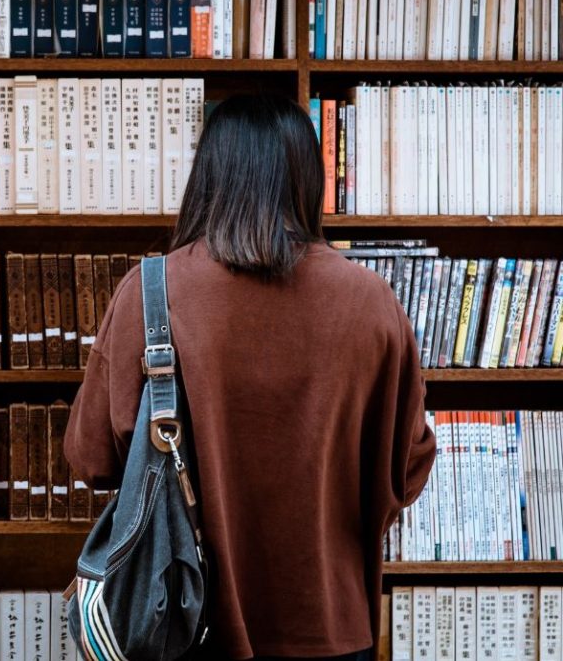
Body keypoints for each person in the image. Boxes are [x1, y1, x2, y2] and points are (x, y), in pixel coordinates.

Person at [64, 94, 436, 661]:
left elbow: (92, 458)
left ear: (208, 177)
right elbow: (407, 470)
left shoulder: (150, 292)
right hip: (333, 626)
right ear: (309, 180)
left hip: (184, 623)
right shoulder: (371, 302)